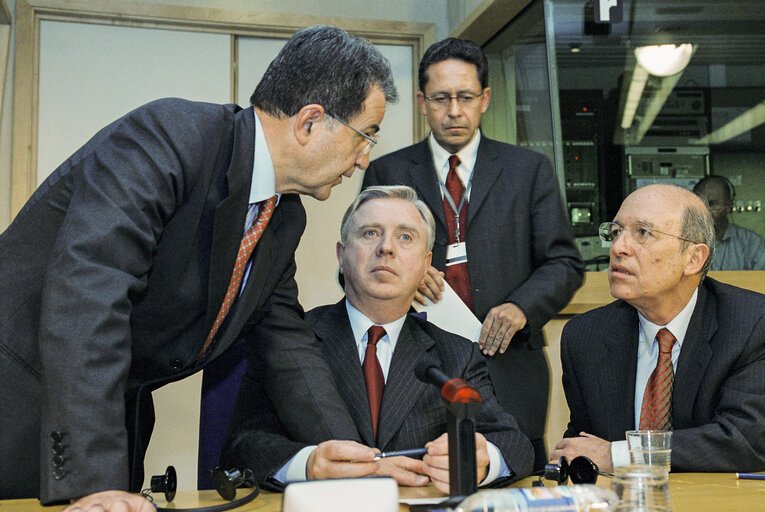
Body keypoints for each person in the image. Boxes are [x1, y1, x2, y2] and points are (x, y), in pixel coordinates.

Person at [0, 25, 397, 510]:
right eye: (365, 136)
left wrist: (356, 459)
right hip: (24, 395)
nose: (364, 159)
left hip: (109, 416)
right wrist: (93, 480)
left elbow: (285, 343)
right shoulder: (167, 139)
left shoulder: (283, 215)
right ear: (310, 121)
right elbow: (88, 294)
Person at [221, 185, 534, 493]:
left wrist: (484, 459)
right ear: (342, 256)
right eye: (370, 233)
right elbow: (243, 445)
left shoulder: (456, 354)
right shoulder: (290, 339)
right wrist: (307, 465)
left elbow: (514, 443)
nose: (386, 248)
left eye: (405, 237)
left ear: (426, 266)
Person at [361, 37, 583, 470]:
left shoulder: (528, 170)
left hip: (511, 366)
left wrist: (522, 306)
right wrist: (401, 270)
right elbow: (356, 262)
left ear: (484, 99)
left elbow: (564, 263)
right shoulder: (386, 171)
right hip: (417, 370)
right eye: (441, 99)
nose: (454, 111)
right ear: (423, 102)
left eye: (465, 97)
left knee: (515, 474)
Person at [551, 184, 765, 473]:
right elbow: (586, 445)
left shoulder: (751, 323)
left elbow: (746, 440)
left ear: (694, 259)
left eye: (643, 233)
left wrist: (623, 455)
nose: (617, 247)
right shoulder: (585, 336)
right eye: (615, 232)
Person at [692, 175, 765, 270]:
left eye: (712, 203)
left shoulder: (751, 243)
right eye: (700, 203)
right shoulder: (683, 243)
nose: (705, 210)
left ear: (728, 205)